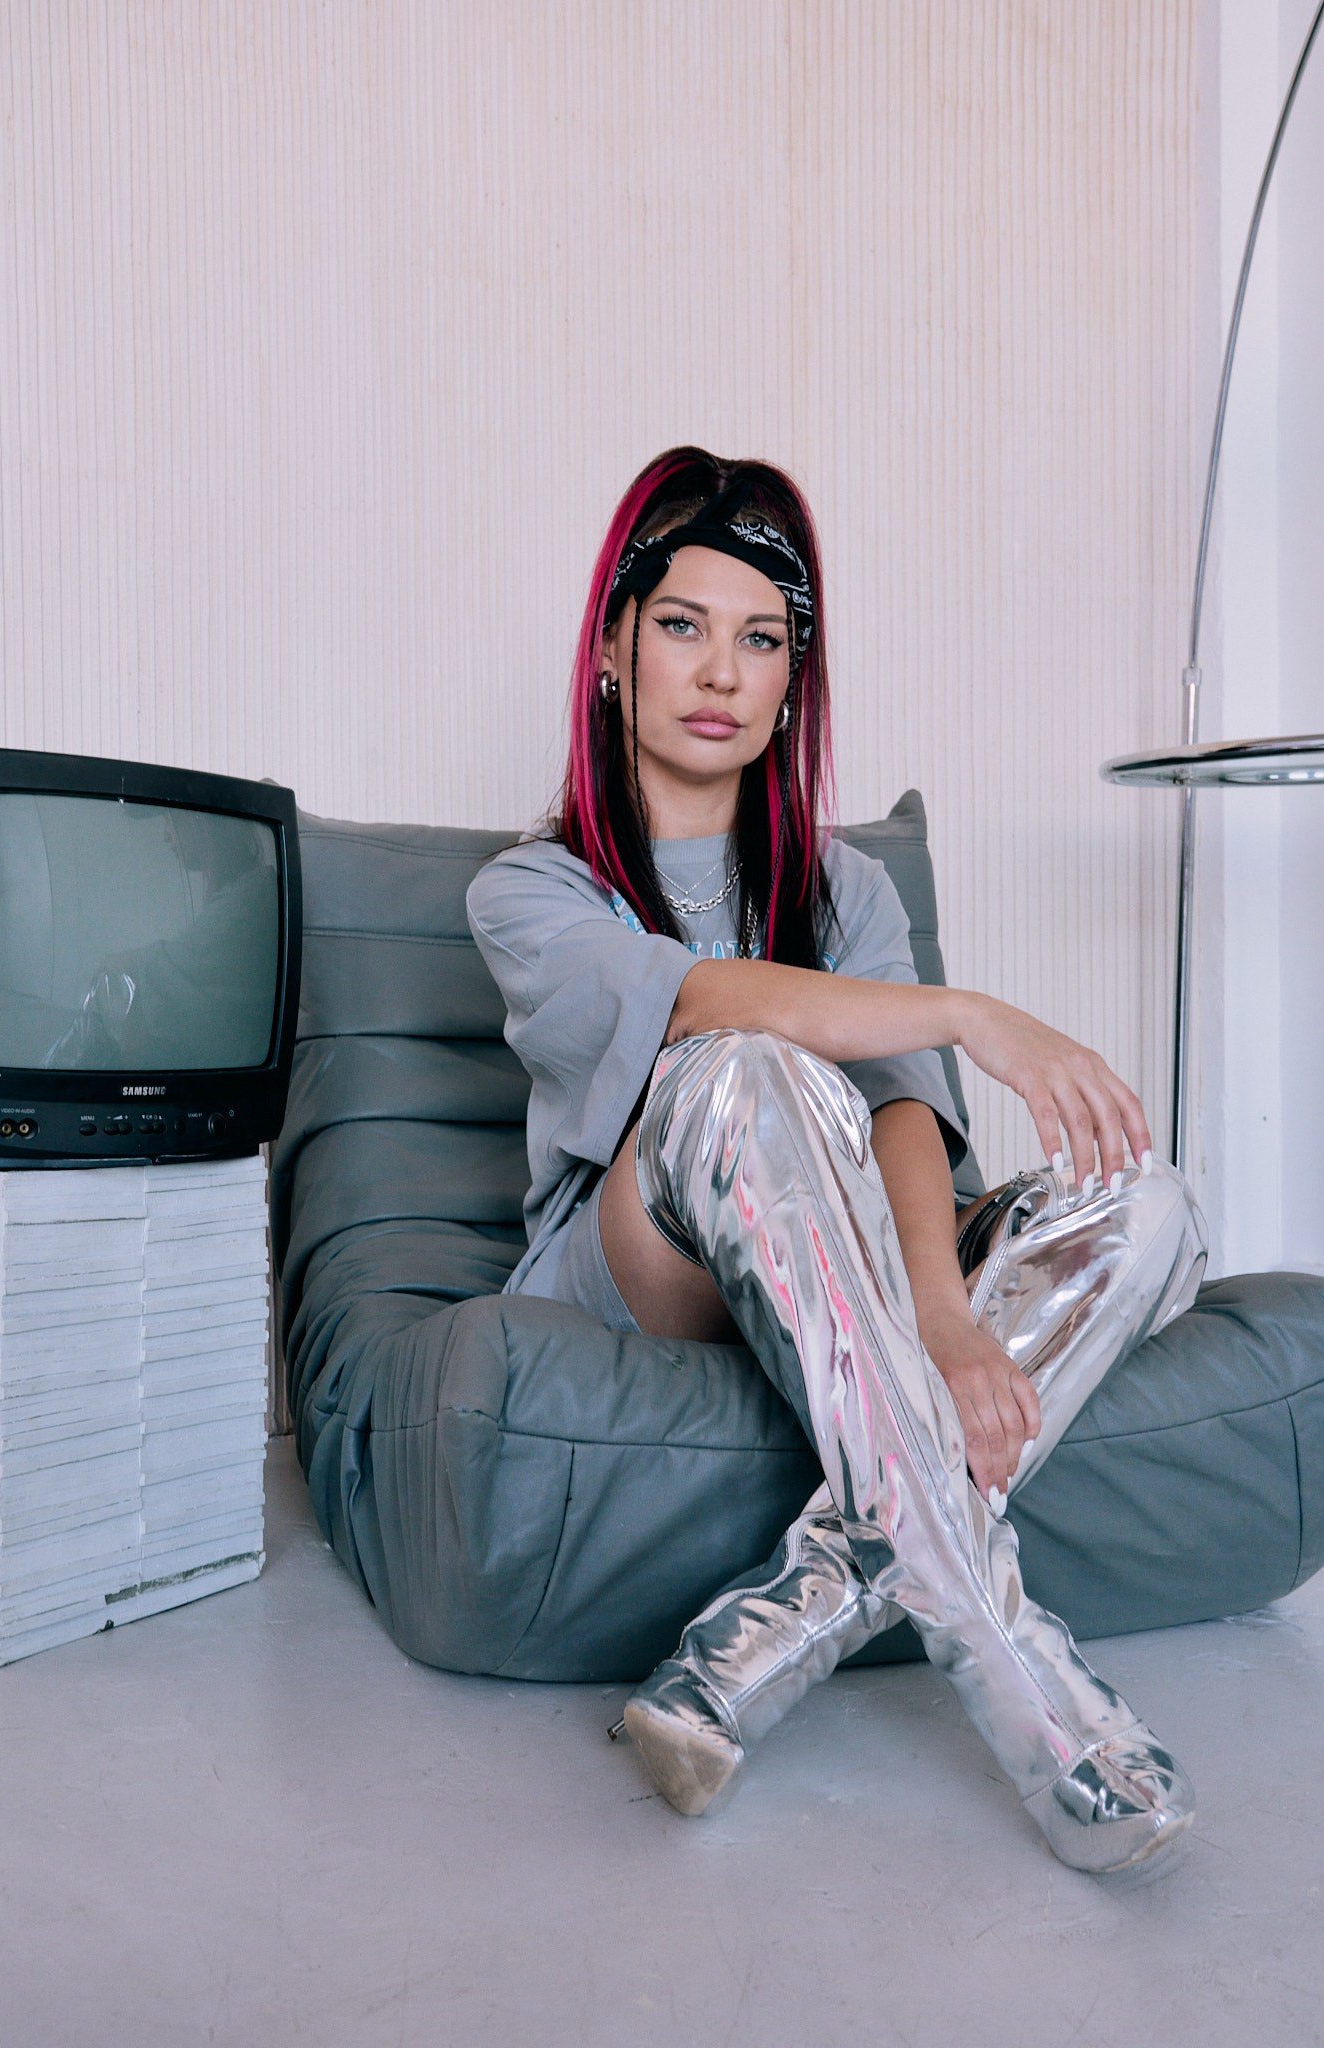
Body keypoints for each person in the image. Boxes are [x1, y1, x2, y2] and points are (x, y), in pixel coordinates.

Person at [467, 446, 1207, 1872]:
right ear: (614, 648)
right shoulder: (531, 890)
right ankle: (1033, 1696)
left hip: (855, 1248)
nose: (720, 673)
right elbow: (701, 1002)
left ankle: (752, 1647)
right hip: (643, 1259)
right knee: (752, 1061)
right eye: (683, 626)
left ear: (791, 679)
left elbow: (904, 1120)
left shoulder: (843, 884)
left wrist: (943, 1319)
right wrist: (968, 1010)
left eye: (762, 641)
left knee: (1149, 1200)